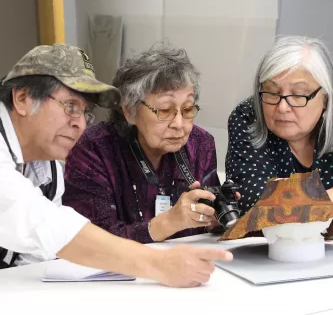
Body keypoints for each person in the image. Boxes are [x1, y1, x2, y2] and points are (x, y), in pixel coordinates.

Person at [0, 43, 232, 287]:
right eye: (70, 106)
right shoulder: (93, 147)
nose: (79, 124)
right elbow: (50, 227)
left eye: (84, 112)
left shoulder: (47, 165)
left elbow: (40, 255)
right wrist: (158, 264)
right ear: (23, 98)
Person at [63, 43, 222, 243]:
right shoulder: (94, 148)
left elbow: (208, 231)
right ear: (129, 110)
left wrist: (216, 221)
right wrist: (167, 223)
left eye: (188, 109)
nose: (179, 124)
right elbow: (89, 241)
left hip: (186, 266)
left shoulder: (200, 144)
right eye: (165, 110)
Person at [225, 35, 333, 216]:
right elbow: (256, 204)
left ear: (325, 99)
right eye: (272, 92)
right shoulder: (248, 116)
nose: (282, 107)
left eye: (299, 94)